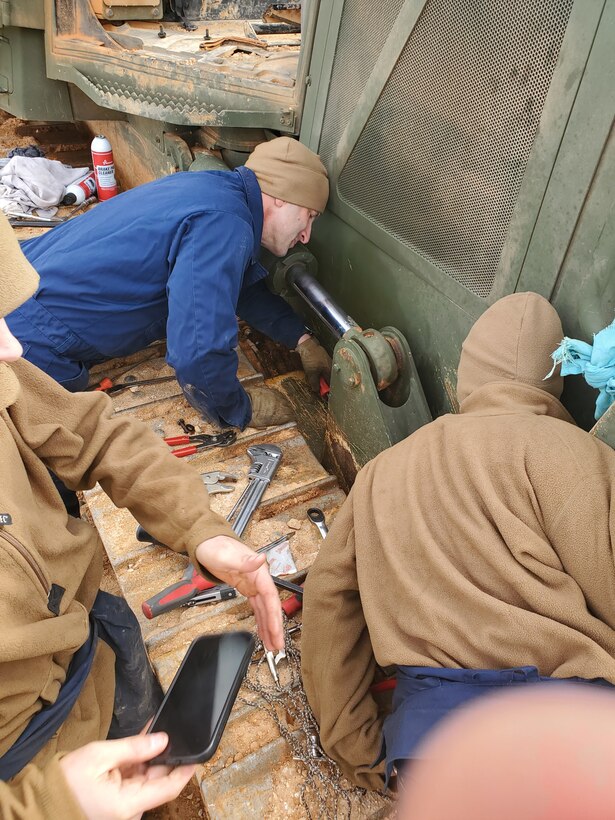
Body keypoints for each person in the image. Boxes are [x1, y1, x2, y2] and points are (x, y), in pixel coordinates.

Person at [0, 210, 284, 817]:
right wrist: (48, 806)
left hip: (89, 647)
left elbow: (97, 433)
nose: (13, 346)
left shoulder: (4, 375)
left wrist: (200, 530)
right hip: (26, 757)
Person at [301, 291, 615, 791]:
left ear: (467, 371)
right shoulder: (585, 459)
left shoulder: (382, 471)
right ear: (553, 379)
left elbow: (328, 605)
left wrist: (360, 753)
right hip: (575, 746)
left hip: (433, 753)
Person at [5, 136, 332, 430]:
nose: (306, 236)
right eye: (310, 216)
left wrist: (300, 338)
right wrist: (238, 409)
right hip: (27, 337)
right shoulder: (226, 224)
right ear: (281, 197)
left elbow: (236, 285)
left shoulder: (214, 191)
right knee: (48, 451)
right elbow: (198, 349)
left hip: (16, 284)